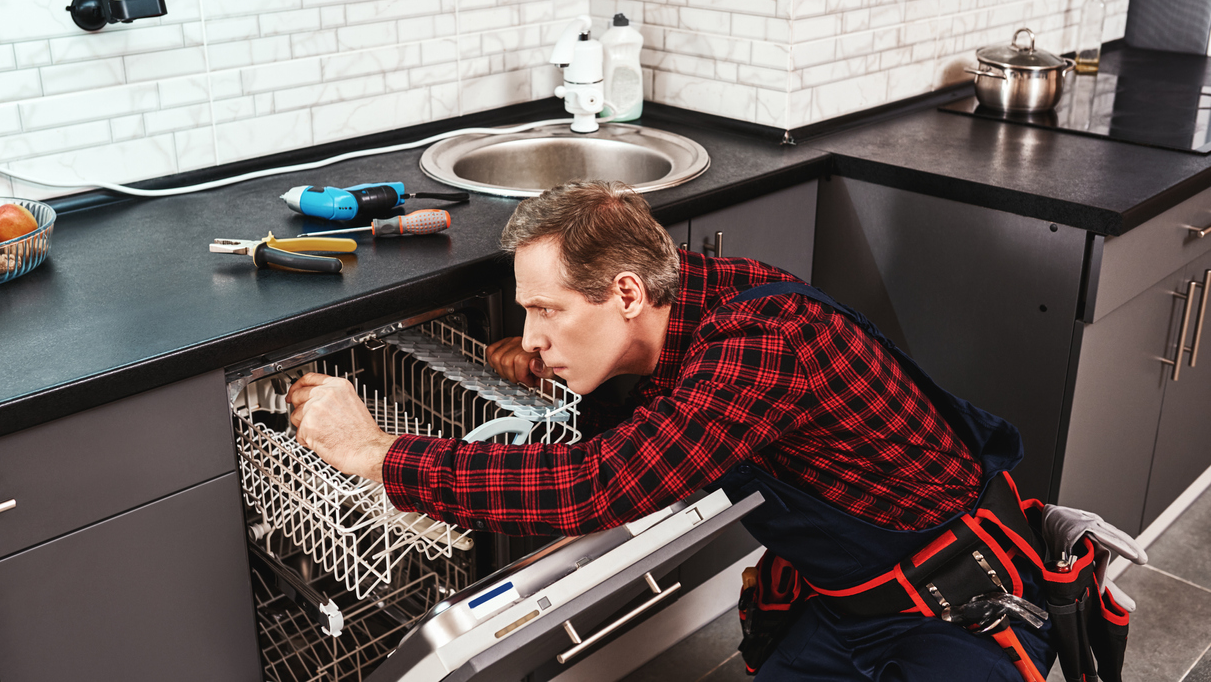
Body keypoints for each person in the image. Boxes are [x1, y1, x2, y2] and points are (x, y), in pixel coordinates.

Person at [287, 180, 1140, 681]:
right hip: (848, 598)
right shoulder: (694, 298)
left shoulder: (764, 341)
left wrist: (379, 452)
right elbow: (669, 429)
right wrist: (550, 350)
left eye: (546, 308)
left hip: (958, 610)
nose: (533, 330)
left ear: (626, 294)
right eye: (526, 310)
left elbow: (603, 481)